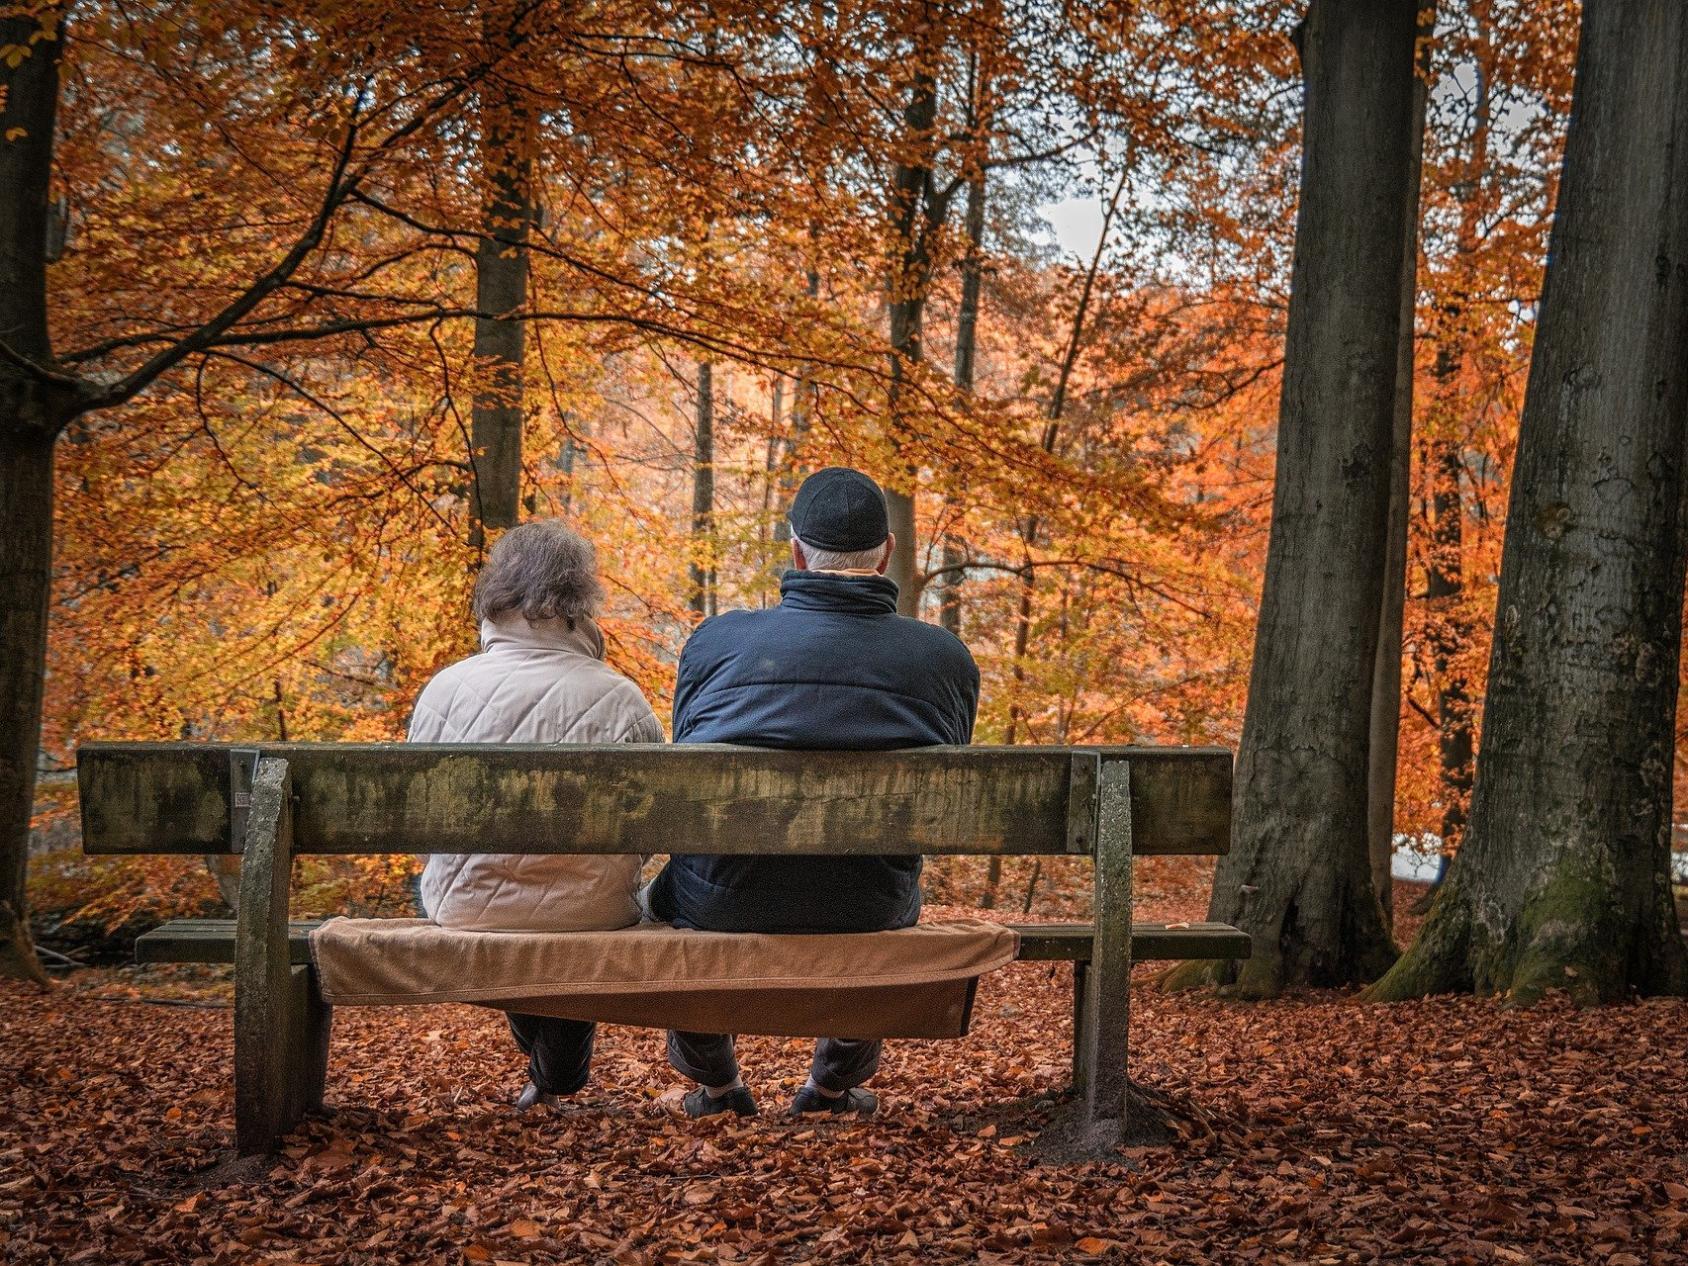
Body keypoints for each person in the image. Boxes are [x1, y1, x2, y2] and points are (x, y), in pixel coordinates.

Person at [645, 467, 980, 1119]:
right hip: (867, 902)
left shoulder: (715, 643)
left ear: (795, 551)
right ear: (885, 553)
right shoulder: (943, 659)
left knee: (683, 886)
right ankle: (830, 1090)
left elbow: (690, 760)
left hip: (722, 901)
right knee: (876, 884)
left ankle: (716, 1089)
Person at [410, 520, 663, 1113]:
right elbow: (653, 828)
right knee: (569, 909)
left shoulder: (443, 691)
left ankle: (552, 1077)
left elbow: (422, 825)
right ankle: (558, 1076)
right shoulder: (620, 697)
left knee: (519, 914)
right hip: (592, 908)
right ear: (581, 603)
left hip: (464, 905)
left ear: (496, 596)